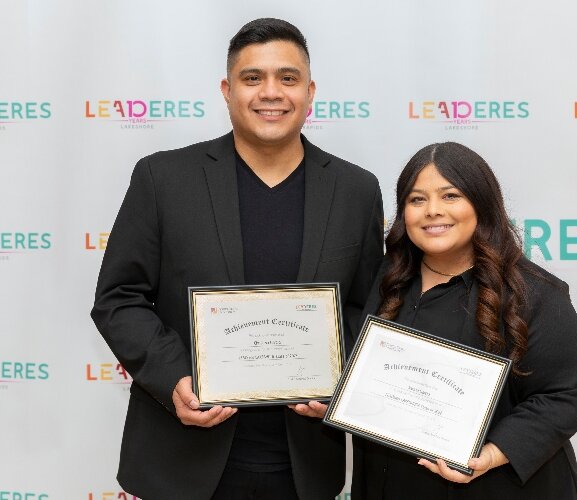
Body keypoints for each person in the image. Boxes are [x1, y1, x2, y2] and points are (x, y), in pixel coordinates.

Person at [91, 18, 383, 500]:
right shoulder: (162, 179)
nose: (271, 92)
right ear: (227, 91)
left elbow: (370, 307)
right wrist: (174, 380)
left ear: (310, 92)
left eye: (287, 78)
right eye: (253, 78)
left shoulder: (356, 189)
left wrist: (339, 378)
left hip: (306, 467)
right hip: (179, 463)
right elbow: (119, 298)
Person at [351, 142, 577, 499]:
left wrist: (491, 454)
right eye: (417, 200)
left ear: (481, 204)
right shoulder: (384, 278)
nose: (432, 211)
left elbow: (563, 396)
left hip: (499, 487)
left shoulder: (535, 293)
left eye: (450, 196)